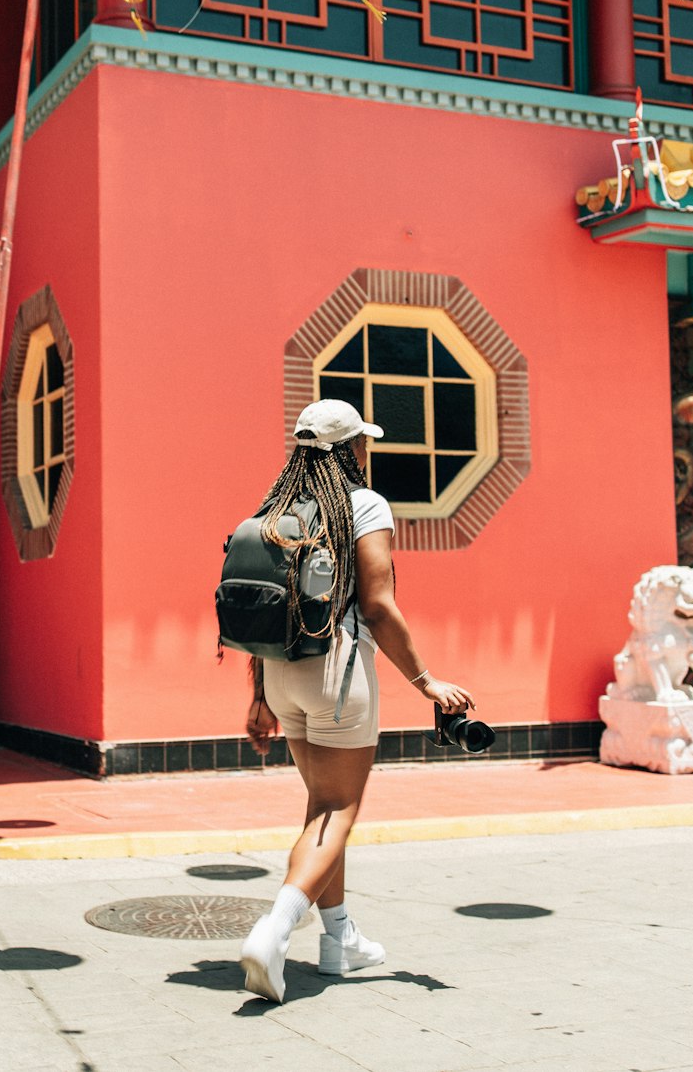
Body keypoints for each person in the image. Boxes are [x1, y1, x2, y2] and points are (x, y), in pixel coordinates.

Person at [238, 399, 475, 1004]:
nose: (369, 451)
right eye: (364, 443)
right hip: (337, 674)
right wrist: (427, 682)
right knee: (339, 810)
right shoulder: (362, 503)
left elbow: (263, 603)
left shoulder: (276, 508)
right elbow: (377, 604)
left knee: (322, 808)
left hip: (280, 674)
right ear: (348, 450)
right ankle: (276, 928)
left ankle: (340, 941)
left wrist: (259, 696)